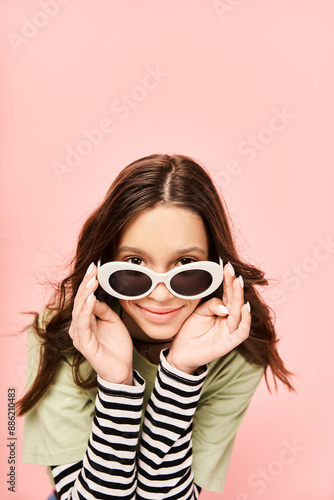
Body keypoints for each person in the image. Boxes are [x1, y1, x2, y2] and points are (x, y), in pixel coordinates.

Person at [17, 153, 294, 500]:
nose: (161, 294)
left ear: (218, 267)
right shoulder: (62, 336)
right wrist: (117, 382)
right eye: (134, 263)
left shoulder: (238, 353)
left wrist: (181, 371)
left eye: (186, 264)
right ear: (102, 265)